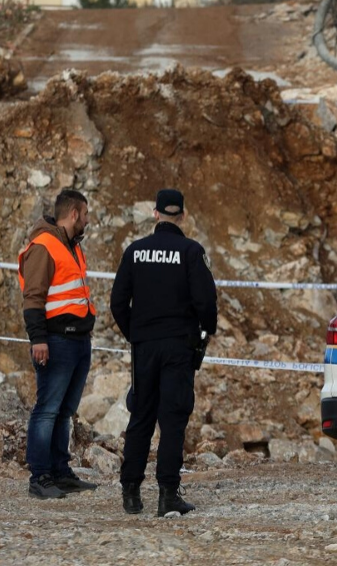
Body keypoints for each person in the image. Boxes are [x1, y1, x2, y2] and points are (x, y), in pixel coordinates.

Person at [111, 188, 217, 516]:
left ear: (155, 213)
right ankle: (167, 495)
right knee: (172, 419)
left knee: (141, 416)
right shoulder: (190, 251)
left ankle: (131, 492)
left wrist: (137, 335)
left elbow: (117, 303)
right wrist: (204, 333)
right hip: (177, 346)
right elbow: (206, 302)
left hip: (145, 347)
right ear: (182, 216)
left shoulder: (135, 251)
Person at [18, 189, 100, 499]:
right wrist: (38, 339)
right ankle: (40, 476)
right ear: (75, 214)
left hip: (77, 340)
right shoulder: (44, 247)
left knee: (64, 411)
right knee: (47, 410)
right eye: (86, 214)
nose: (88, 220)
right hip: (55, 339)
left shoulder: (72, 247)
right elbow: (33, 298)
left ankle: (59, 471)